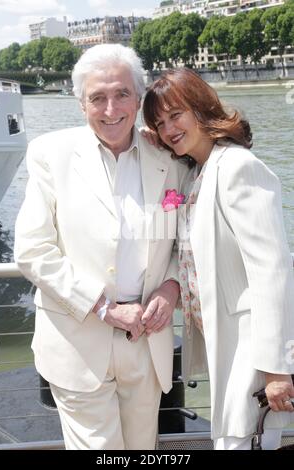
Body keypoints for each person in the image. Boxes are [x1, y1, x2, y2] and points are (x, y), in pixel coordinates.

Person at [14, 45, 187, 450]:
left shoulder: (170, 157)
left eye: (122, 94)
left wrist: (172, 286)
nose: (111, 109)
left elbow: (185, 242)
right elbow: (33, 249)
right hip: (77, 341)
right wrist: (103, 307)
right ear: (80, 104)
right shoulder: (49, 154)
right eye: (97, 98)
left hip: (147, 340)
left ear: (140, 97)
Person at [143, 68, 294, 450]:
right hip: (222, 341)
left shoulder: (237, 167)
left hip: (250, 345)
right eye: (160, 123)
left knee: (244, 440)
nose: (168, 129)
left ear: (200, 108)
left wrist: (277, 368)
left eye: (176, 115)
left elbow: (271, 270)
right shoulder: (197, 171)